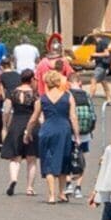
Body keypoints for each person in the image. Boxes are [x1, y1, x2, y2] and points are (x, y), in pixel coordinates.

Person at [31, 67, 81, 205]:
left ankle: (51, 195)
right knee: (64, 159)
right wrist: (77, 135)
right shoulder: (68, 96)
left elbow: (34, 118)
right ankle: (62, 193)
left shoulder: (42, 99)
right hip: (64, 130)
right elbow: (73, 117)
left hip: (47, 129)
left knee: (48, 160)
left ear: (46, 82)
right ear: (59, 82)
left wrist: (27, 132)